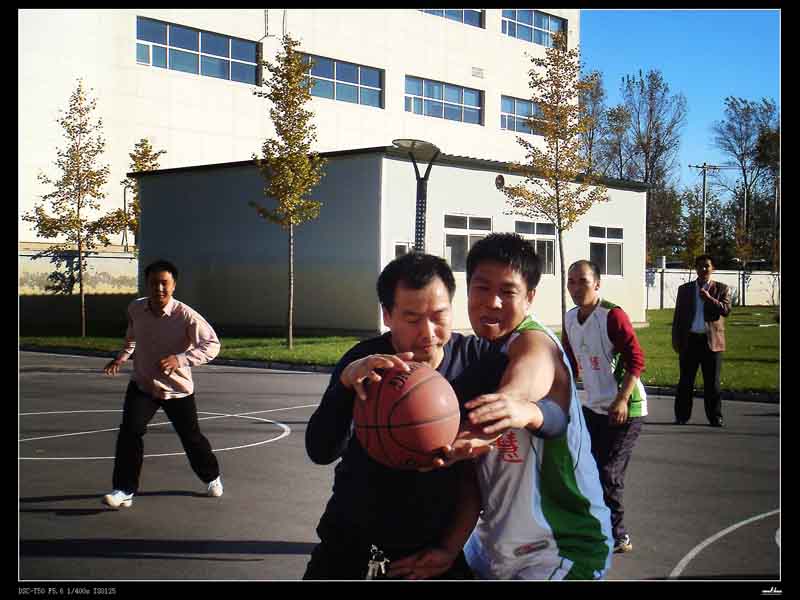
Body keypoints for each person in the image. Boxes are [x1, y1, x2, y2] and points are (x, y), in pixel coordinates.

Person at [393, 234, 612, 580]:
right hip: (494, 549)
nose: (492, 302)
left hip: (563, 547)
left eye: (507, 291)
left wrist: (511, 404)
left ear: (530, 297)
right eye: (481, 288)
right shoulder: (474, 360)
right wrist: (449, 548)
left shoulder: (534, 341)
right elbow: (473, 480)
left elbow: (528, 377)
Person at [303, 252, 508, 580]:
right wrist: (344, 387)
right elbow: (320, 450)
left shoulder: (479, 361)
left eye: (439, 315)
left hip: (435, 552)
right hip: (351, 543)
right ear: (387, 315)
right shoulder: (364, 362)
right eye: (412, 319)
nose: (428, 332)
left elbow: (538, 387)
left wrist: (450, 548)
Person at [101, 259, 223, 509]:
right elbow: (132, 338)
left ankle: (212, 477)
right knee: (130, 432)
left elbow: (212, 345)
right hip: (143, 385)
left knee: (191, 438)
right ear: (146, 285)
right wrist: (121, 357)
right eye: (153, 283)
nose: (159, 288)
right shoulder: (136, 308)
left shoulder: (186, 316)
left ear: (173, 285)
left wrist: (180, 359)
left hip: (177, 390)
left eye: (164, 283)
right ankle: (124, 489)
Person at [563, 259, 647, 555]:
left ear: (597, 284)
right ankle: (593, 528)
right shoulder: (570, 319)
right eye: (571, 281)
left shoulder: (612, 315)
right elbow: (569, 364)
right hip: (594, 407)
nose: (576, 288)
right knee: (584, 469)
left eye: (583, 281)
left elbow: (637, 360)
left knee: (609, 473)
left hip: (626, 408)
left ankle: (618, 535)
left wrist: (622, 399)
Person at [671, 254, 732, 427]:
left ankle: (715, 417)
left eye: (707, 266)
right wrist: (676, 339)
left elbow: (726, 310)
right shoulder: (685, 289)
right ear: (696, 269)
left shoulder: (721, 288)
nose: (703, 269)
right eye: (700, 266)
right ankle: (682, 416)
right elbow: (678, 317)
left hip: (711, 342)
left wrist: (709, 299)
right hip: (690, 340)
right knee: (685, 381)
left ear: (713, 269)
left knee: (712, 383)